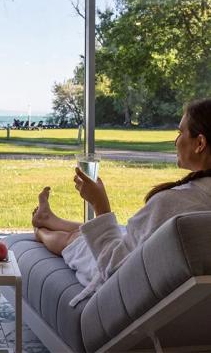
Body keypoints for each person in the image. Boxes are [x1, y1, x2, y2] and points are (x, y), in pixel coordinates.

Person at [32, 97, 211, 306]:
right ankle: (49, 219)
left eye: (180, 132)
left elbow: (115, 269)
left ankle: (40, 232)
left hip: (129, 281)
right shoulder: (197, 201)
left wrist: (100, 204)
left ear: (200, 143)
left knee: (75, 240)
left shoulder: (173, 203)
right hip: (176, 288)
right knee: (114, 230)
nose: (176, 141)